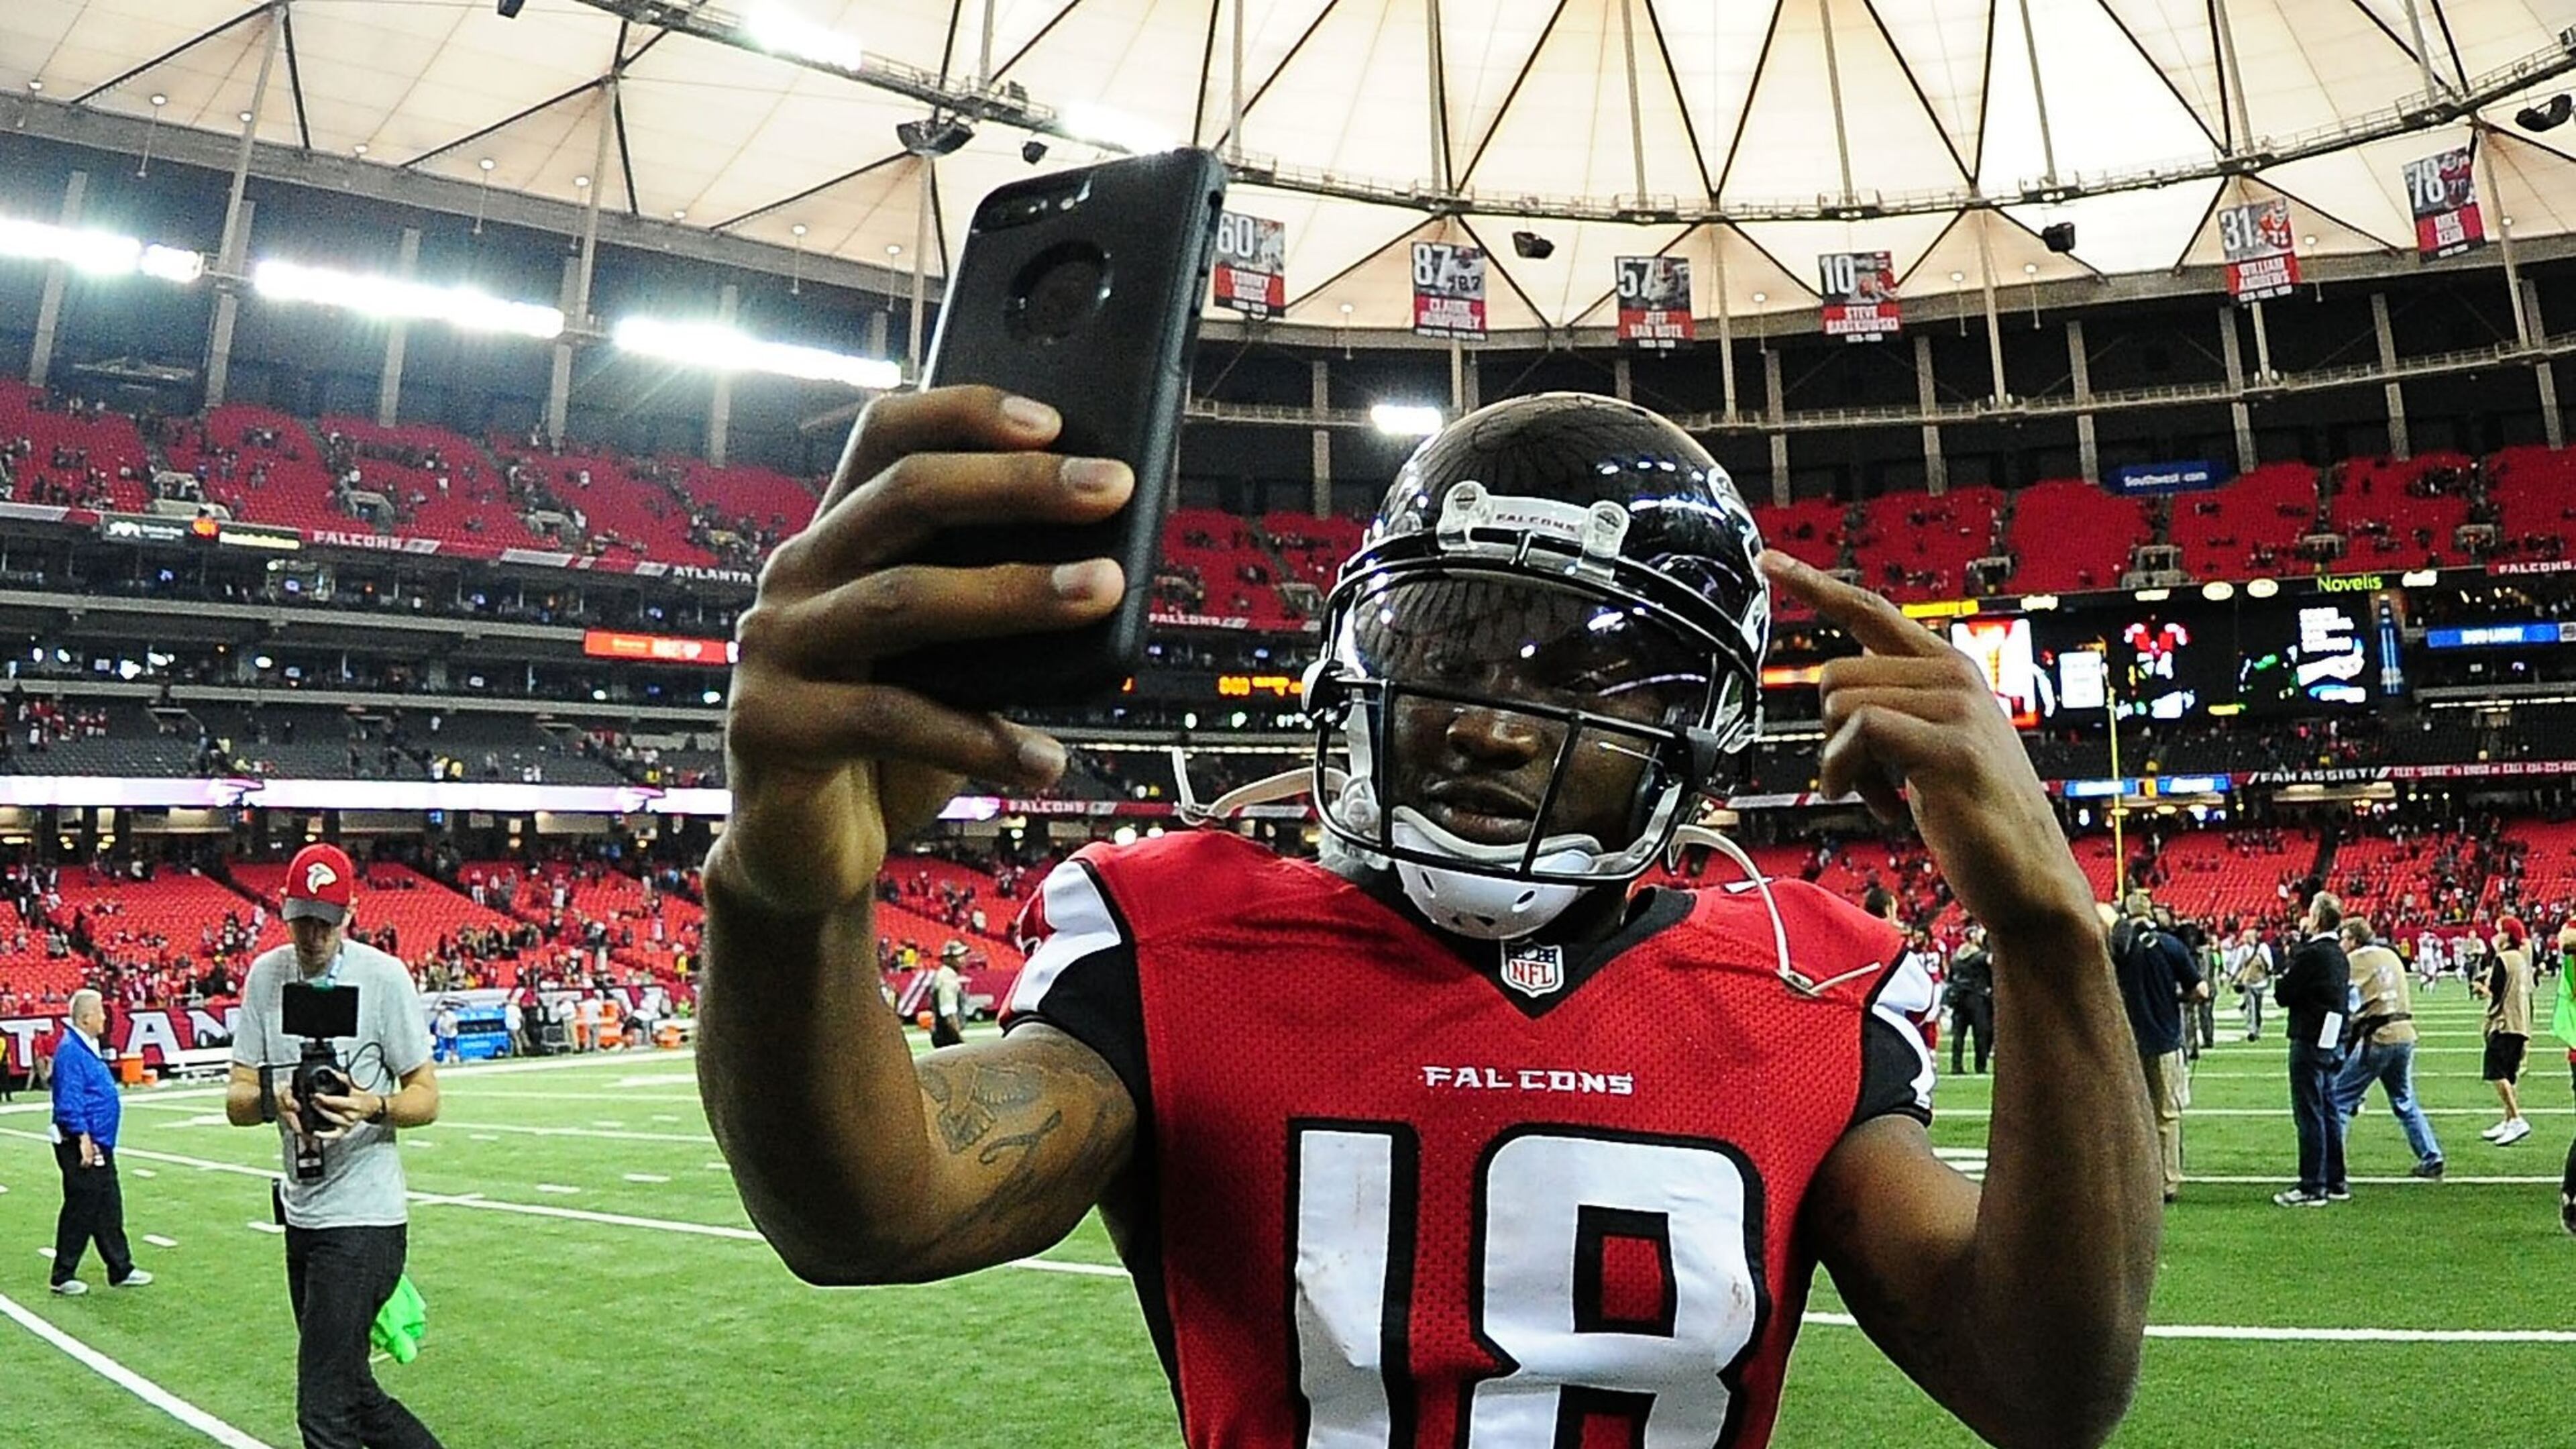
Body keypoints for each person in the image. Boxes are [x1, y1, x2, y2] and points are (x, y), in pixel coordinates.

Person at [700, 389, 2159, 1449]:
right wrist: (785, 897)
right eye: (1441, 645)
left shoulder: (1799, 977)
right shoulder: (1178, 940)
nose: (1485, 725)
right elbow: (867, 1212)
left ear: (1696, 732)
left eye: (1571, 676)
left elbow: (2044, 1392)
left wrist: (2050, 939)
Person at [223, 844, 445, 1449]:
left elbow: (426, 1094)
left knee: (321, 1408)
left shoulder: (382, 977)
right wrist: (277, 1098)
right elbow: (237, 1099)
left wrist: (371, 1105)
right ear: (283, 911)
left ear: (351, 911)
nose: (313, 934)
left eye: (326, 919)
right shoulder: (266, 976)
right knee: (350, 1389)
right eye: (302, 918)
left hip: (366, 1216)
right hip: (302, 1212)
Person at [46, 988, 151, 1295]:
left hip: (97, 1142)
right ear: (86, 1017)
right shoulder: (71, 1052)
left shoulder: (85, 1047)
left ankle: (121, 1268)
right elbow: (70, 1099)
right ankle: (63, 1274)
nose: (105, 1017)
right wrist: (83, 1137)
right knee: (83, 1207)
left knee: (108, 1205)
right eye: (100, 1012)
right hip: (81, 1142)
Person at [2329, 916, 2442, 1180]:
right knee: (2405, 1101)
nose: (2341, 944)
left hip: (2378, 1037)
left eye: (2344, 938)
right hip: (2404, 1034)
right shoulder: (2390, 955)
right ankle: (2431, 1155)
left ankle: (2332, 1168)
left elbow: (2346, 1002)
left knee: (2339, 1101)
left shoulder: (2354, 961)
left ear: (2354, 940)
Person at [2112, 891, 2202, 1203]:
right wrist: (2178, 997)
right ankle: (2168, 1181)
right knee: (2167, 1115)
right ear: (2150, 912)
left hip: (2128, 1041)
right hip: (2164, 1038)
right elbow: (2200, 990)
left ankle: (2136, 1179)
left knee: (2136, 1115)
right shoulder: (2169, 944)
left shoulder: (2118, 948)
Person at [2274, 890, 2353, 1206]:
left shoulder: (2312, 953)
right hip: (2332, 1036)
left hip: (2309, 1036)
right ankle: (2335, 1180)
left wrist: (2291, 957)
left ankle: (2312, 1185)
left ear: (2317, 918)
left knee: (2309, 1113)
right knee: (2328, 1109)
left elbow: (2284, 993)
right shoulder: (2339, 954)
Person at [2475, 916, 2535, 1147]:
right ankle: (2508, 1120)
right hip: (2520, 1023)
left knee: (2496, 1072)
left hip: (2504, 1024)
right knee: (2509, 1075)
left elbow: (2496, 993)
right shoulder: (2521, 958)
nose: (2495, 935)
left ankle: (2516, 1118)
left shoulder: (2503, 959)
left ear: (2507, 935)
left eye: (2499, 931)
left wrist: (2482, 988)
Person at [1946, 922, 1994, 1075]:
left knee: (1958, 1034)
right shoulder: (1981, 957)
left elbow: (1950, 977)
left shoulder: (1956, 957)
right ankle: (1980, 1065)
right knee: (1981, 1033)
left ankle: (1956, 1065)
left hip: (1958, 997)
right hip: (1976, 998)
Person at [2226, 925, 2272, 1040]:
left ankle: (2257, 1028)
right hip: (2248, 982)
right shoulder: (2243, 949)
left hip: (2261, 981)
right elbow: (2238, 963)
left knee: (2258, 1007)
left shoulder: (2263, 947)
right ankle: (2252, 1030)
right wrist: (2232, 975)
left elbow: (2269, 963)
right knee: (2251, 1007)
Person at [930, 941, 968, 1048]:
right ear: (948, 959)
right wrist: (959, 1039)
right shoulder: (947, 976)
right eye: (958, 956)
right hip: (947, 1036)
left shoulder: (944, 974)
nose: (963, 959)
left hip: (942, 1034)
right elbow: (948, 1012)